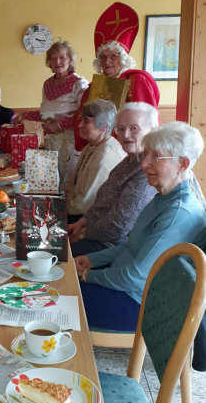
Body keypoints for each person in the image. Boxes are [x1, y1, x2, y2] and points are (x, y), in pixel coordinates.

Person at [75, 121, 206, 333]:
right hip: (125, 289)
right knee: (59, 283)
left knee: (58, 296)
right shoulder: (162, 198)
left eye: (156, 157)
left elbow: (137, 276)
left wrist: (87, 275)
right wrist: (91, 260)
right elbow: (130, 246)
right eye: (144, 155)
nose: (144, 164)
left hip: (139, 305)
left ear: (182, 164)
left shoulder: (178, 212)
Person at [68, 102, 158, 256]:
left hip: (114, 249)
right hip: (96, 237)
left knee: (53, 258)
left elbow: (119, 226)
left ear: (152, 130)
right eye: (121, 129)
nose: (125, 134)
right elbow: (101, 203)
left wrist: (83, 232)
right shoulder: (128, 161)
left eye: (134, 128)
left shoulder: (146, 172)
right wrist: (81, 222)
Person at [74, 2, 160, 152]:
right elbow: (80, 119)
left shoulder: (137, 80)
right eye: (103, 57)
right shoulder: (93, 87)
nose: (107, 62)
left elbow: (147, 121)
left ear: (123, 58)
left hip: (130, 150)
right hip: (99, 150)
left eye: (113, 56)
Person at [67, 99, 126, 224]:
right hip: (77, 211)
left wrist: (58, 209)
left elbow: (86, 204)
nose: (80, 125)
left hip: (90, 220)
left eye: (86, 121)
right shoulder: (91, 146)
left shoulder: (104, 158)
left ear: (103, 128)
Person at [40, 41, 89, 190]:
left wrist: (59, 125)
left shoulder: (79, 83)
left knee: (67, 179)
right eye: (53, 58)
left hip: (70, 138)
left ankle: (68, 211)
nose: (57, 62)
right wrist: (24, 117)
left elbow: (83, 114)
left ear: (70, 60)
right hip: (50, 138)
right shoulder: (47, 83)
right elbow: (45, 109)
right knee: (51, 178)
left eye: (62, 57)